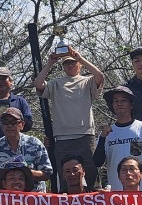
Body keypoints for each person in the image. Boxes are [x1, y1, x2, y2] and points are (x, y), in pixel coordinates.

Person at [34, 45, 106, 187]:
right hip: (62, 138)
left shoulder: (87, 81)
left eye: (73, 62)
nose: (70, 65)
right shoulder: (55, 84)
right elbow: (38, 84)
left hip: (85, 136)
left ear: (79, 65)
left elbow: (100, 76)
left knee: (91, 177)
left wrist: (79, 57)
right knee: (66, 178)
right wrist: (50, 62)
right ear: (63, 67)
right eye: (67, 63)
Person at [95, 85, 142, 190]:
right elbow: (97, 162)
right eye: (116, 101)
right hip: (115, 194)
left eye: (123, 100)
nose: (119, 104)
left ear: (131, 105)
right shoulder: (107, 133)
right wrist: (102, 138)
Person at [0, 107, 52, 191]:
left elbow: (47, 173)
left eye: (13, 122)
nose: (9, 125)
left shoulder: (35, 144)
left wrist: (25, 172)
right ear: (2, 126)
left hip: (34, 198)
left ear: (22, 125)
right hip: (7, 200)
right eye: (5, 122)